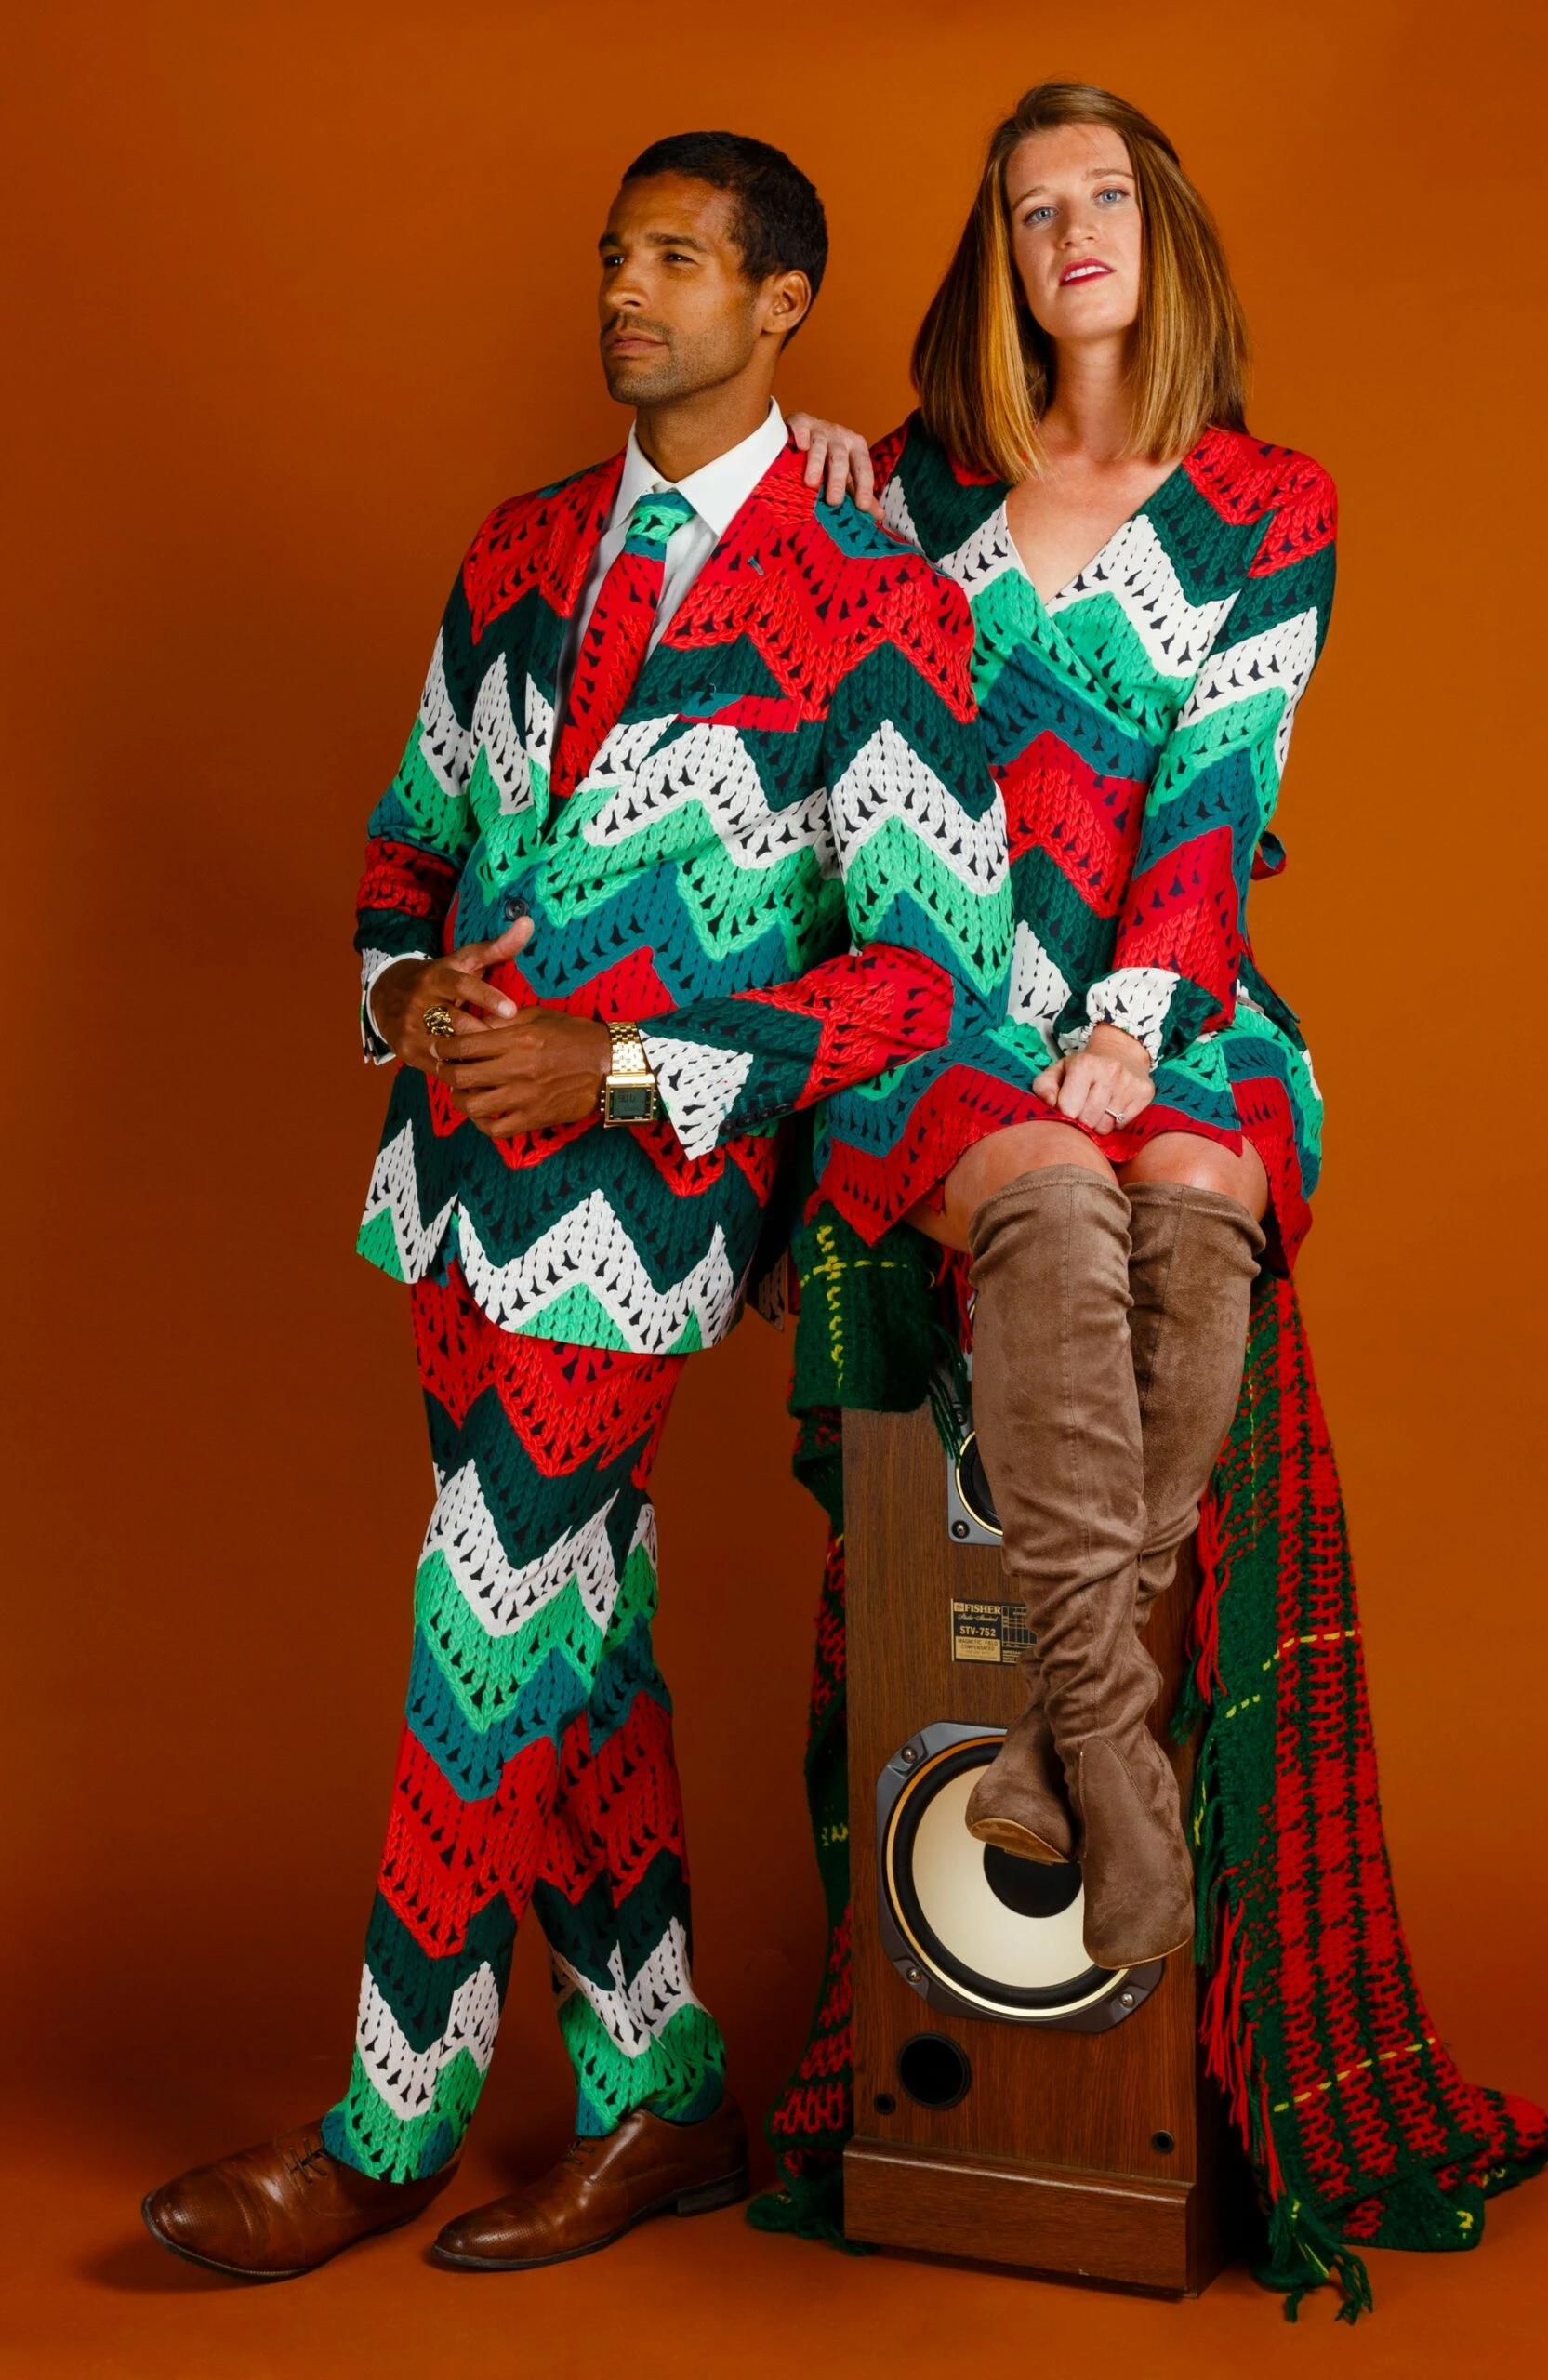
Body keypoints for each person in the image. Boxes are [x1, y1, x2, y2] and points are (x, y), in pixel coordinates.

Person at [141, 128, 1019, 2282]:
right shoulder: (522, 545)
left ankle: (384, 2120)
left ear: (781, 302)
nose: (628, 288)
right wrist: (406, 988)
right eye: (617, 252)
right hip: (445, 1192)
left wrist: (617, 1064)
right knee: (573, 1624)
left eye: (680, 259)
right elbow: (403, 840)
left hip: (639, 1218)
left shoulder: (870, 592)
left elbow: (927, 978)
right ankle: (657, 2087)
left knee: (484, 1619)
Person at [788, 81, 1335, 1974]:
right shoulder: (915, 489)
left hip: (1177, 987)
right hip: (936, 999)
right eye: (1034, 210)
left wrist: (1128, 1022)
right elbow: (806, 682)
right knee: (1054, 1198)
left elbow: (1215, 782)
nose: (1073, 234)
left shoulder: (1266, 504)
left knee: (1199, 1186)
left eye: (1104, 198)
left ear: (1160, 235)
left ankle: (1051, 1737)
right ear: (1000, 258)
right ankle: (1113, 1744)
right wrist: (812, 478)